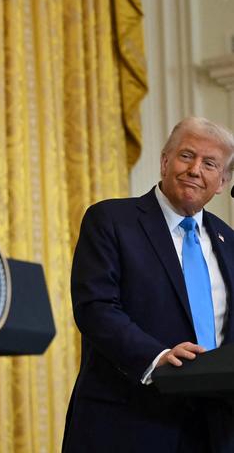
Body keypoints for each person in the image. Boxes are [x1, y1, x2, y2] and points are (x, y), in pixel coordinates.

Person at [63, 117, 234, 452]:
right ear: (165, 161)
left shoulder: (229, 240)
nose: (195, 169)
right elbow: (95, 308)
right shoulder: (111, 220)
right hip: (129, 421)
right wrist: (158, 358)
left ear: (222, 182)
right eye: (186, 156)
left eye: (209, 163)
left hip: (214, 428)